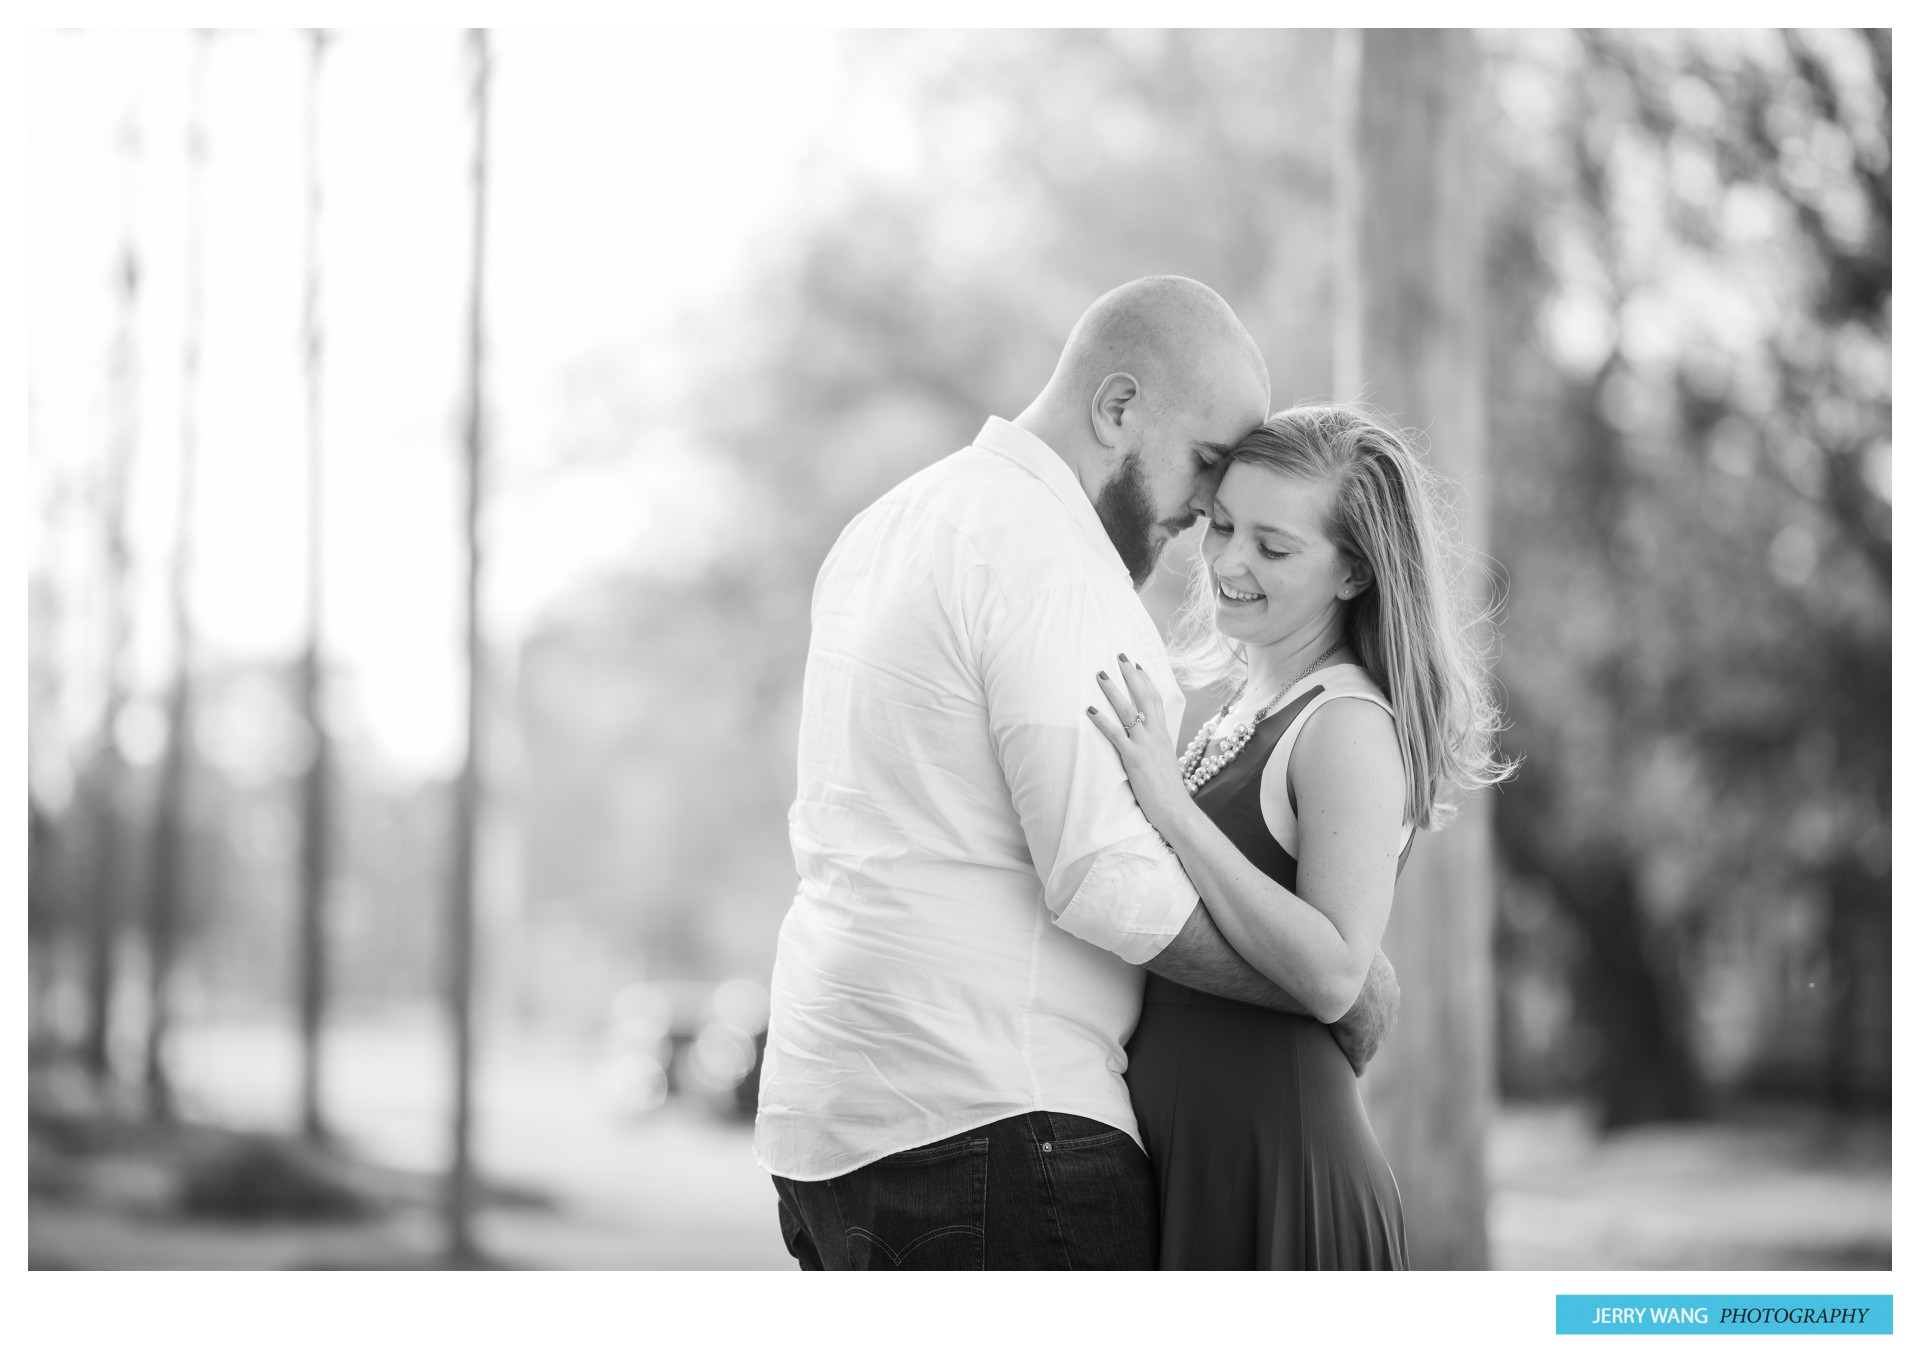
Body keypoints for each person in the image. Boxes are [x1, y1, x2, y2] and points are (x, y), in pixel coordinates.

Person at [754, 278, 1402, 1271]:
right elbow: (1106, 880)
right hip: (993, 1120)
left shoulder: (887, 523)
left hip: (827, 1121)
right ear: (1118, 408)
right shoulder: (1055, 562)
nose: (1202, 512)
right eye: (1205, 465)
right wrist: (1329, 990)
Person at [1086, 403, 1514, 1268]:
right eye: (1223, 525)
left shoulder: (1347, 724)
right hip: (1186, 1152)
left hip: (1276, 1161)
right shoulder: (1247, 703)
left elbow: (1333, 971)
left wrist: (1168, 806)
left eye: (1273, 547)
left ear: (1354, 571)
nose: (1229, 562)